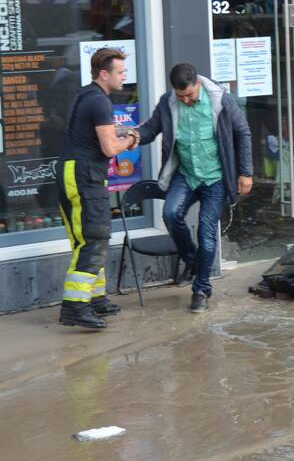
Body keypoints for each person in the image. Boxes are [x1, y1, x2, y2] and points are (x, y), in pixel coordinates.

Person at [136, 63, 253, 313]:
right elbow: (150, 129)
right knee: (170, 213)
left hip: (216, 178)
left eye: (189, 94)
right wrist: (131, 136)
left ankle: (201, 289)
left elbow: (243, 132)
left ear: (197, 83)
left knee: (206, 233)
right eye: (181, 96)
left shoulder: (220, 100)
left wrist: (246, 172)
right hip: (187, 174)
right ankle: (191, 259)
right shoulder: (168, 103)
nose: (186, 100)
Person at [57, 48, 139, 329]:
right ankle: (75, 308)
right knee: (92, 239)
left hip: (76, 173)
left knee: (94, 237)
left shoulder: (86, 94)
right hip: (84, 177)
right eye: (120, 72)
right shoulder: (100, 102)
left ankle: (95, 299)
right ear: (104, 74)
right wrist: (131, 140)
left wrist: (121, 132)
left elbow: (94, 133)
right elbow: (109, 148)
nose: (124, 77)